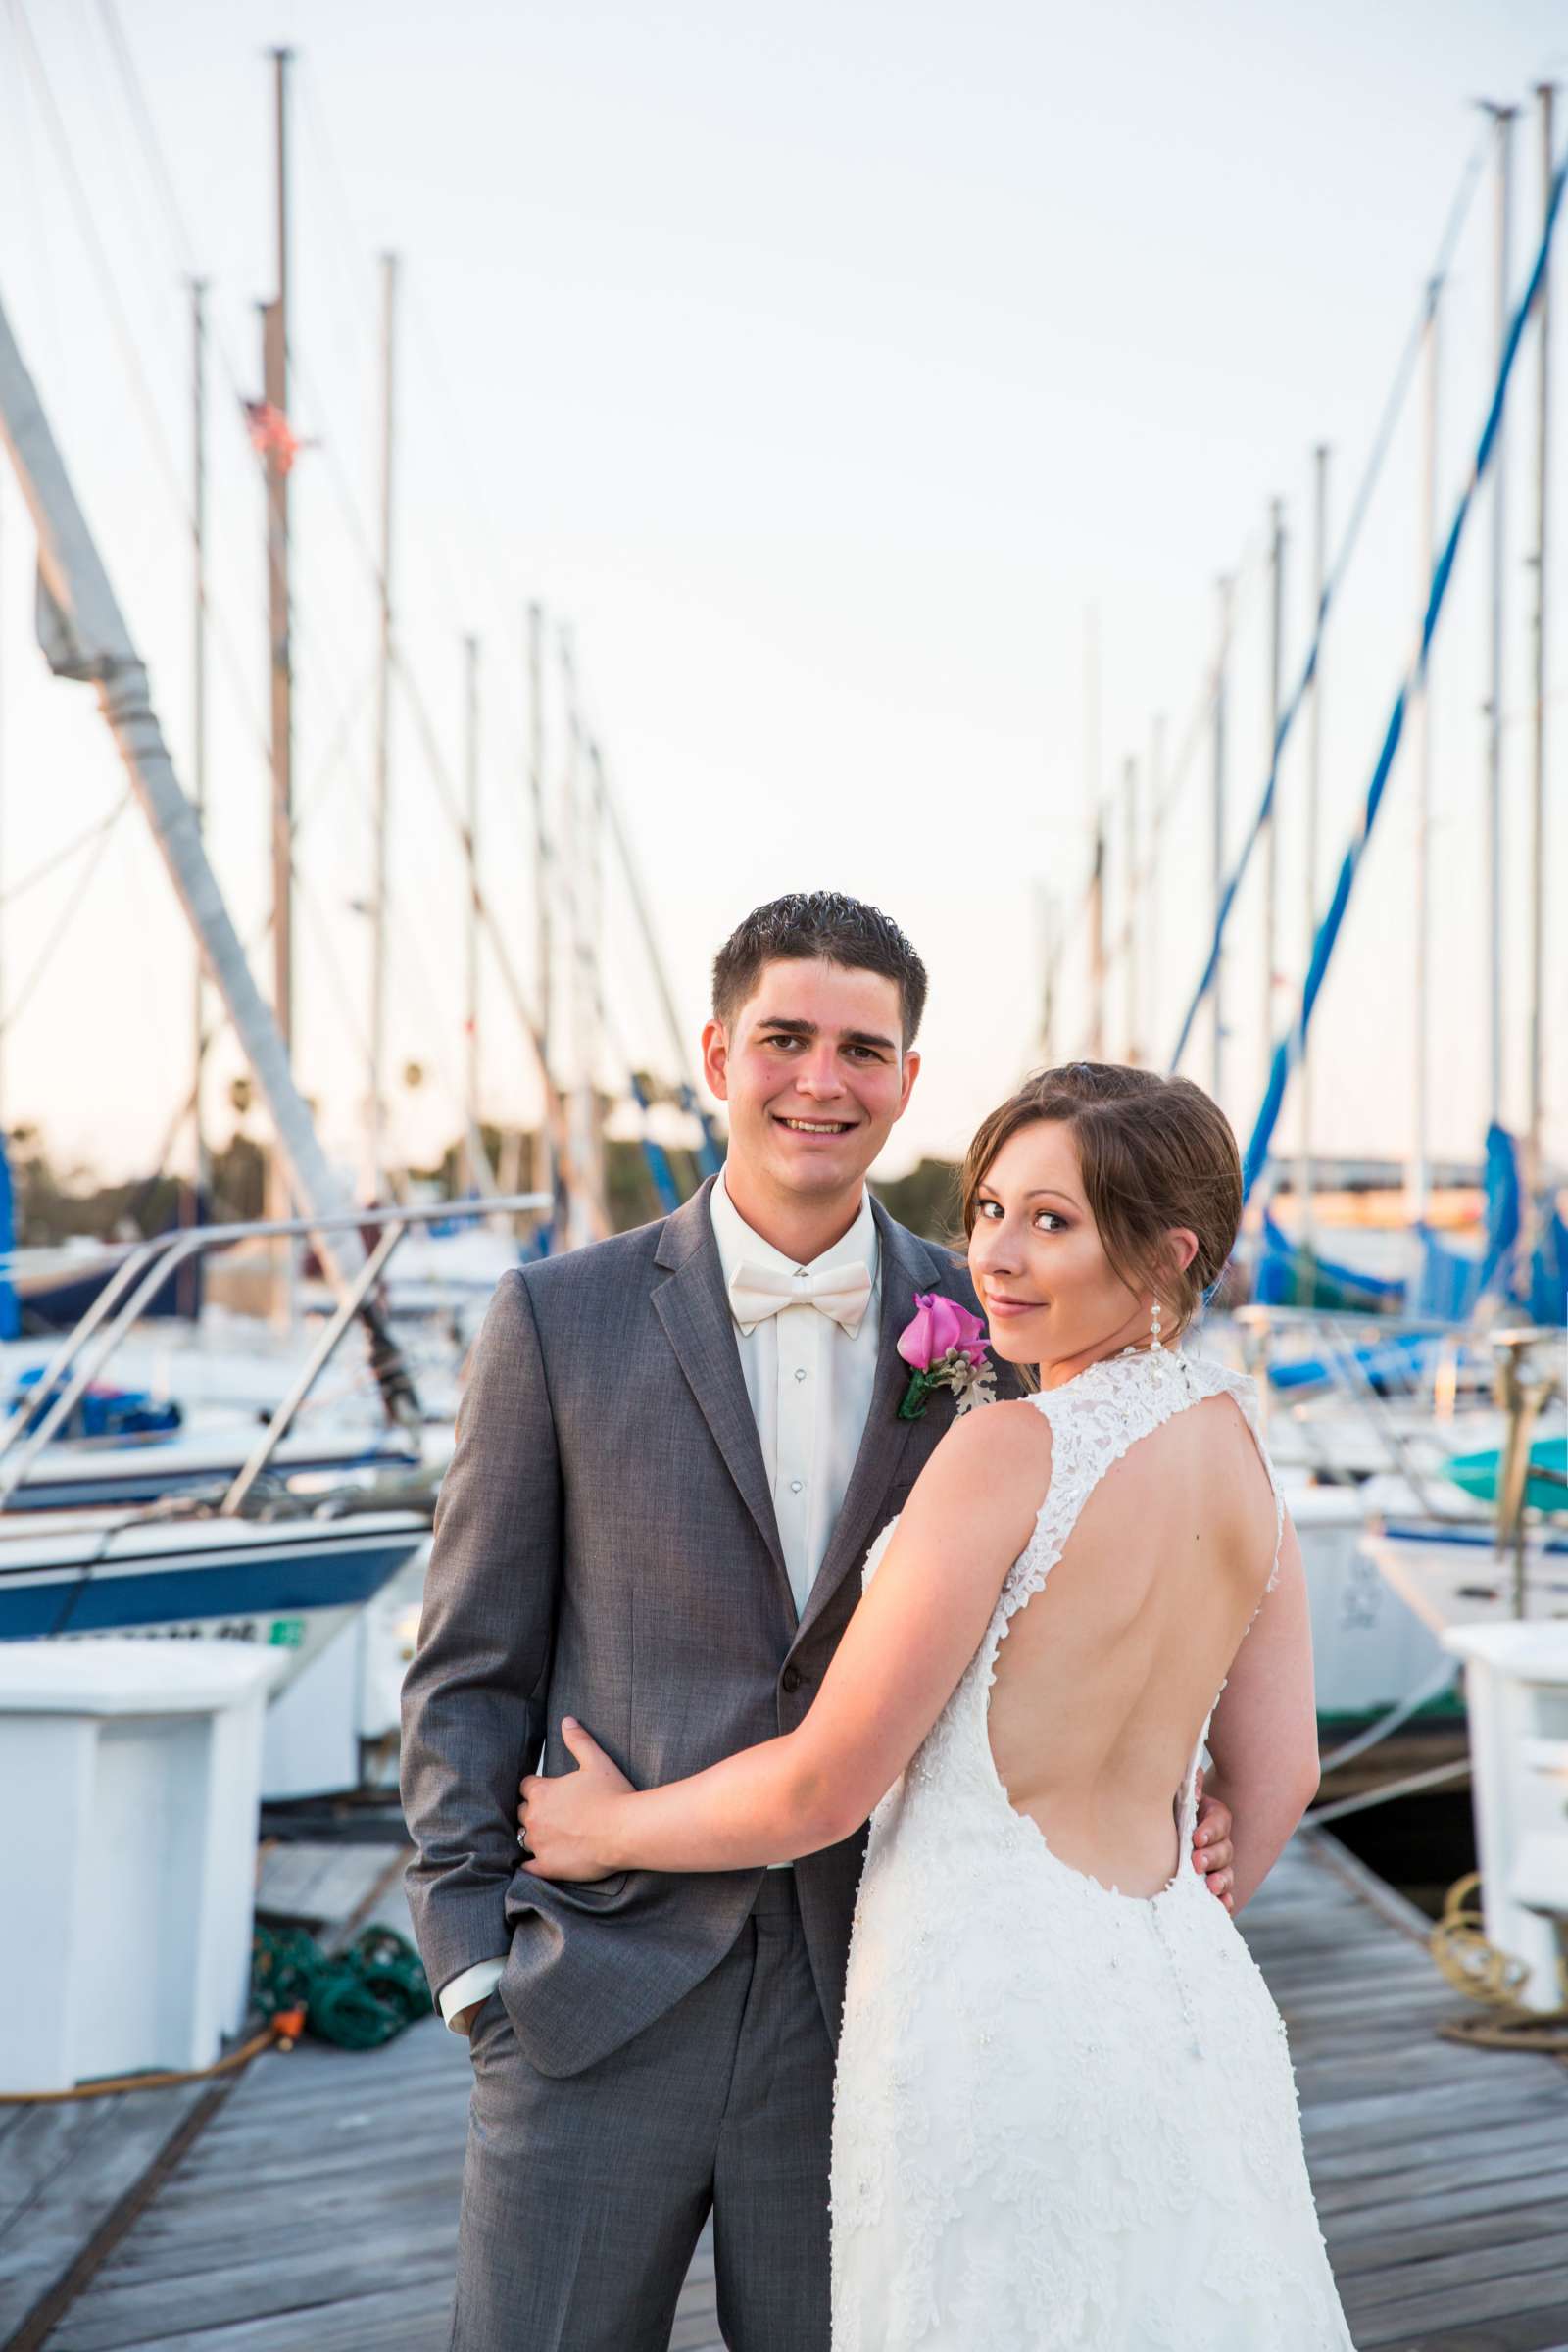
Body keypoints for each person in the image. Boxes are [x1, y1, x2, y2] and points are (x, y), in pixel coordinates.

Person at [401, 900, 1236, 2352]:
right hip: (593, 1996)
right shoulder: (556, 1317)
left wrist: (1171, 1765)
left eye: (864, 1048)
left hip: (883, 2002)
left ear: (910, 1079)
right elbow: (469, 1666)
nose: (821, 1080)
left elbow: (1087, 1586)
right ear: (720, 1052)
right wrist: (475, 1963)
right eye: (785, 1039)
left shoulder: (1001, 1322)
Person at [518, 1059, 1350, 2351]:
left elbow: (822, 1788)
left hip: (994, 2017)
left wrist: (602, 1831)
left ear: (1168, 1253)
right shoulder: (1244, 1450)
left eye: (1053, 1221)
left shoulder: (1009, 1449)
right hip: (1181, 2004)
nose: (997, 1260)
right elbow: (1281, 1773)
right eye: (991, 1211)